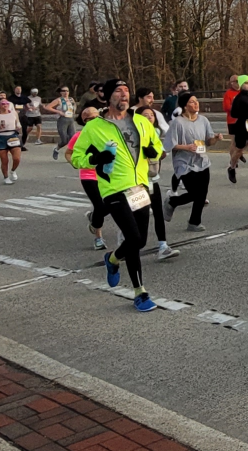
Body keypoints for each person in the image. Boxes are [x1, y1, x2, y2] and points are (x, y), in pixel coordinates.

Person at [73, 79, 165, 312]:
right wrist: (95, 159)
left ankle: (113, 260)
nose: (124, 95)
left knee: (141, 240)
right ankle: (140, 292)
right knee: (132, 239)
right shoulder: (94, 127)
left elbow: (157, 146)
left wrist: (156, 152)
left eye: (126, 91)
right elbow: (76, 157)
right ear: (107, 97)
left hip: (140, 188)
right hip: (114, 188)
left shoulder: (142, 121)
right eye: (118, 91)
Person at [163, 96, 216, 231]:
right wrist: (187, 147)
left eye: (197, 101)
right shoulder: (178, 123)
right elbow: (169, 144)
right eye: (192, 102)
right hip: (184, 162)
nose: (196, 104)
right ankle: (172, 201)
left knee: (202, 194)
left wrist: (215, 138)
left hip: (202, 161)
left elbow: (209, 142)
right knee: (194, 193)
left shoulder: (203, 120)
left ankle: (194, 222)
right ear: (185, 106)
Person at [137, 104, 180, 261]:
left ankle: (163, 246)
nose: (149, 117)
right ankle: (127, 244)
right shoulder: (131, 134)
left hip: (152, 180)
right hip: (136, 183)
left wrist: (155, 152)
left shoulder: (154, 133)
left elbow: (161, 154)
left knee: (158, 213)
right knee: (138, 216)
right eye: (145, 115)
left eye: (151, 115)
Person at [68, 106, 110, 250]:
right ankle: (98, 238)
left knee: (111, 204)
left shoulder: (106, 132)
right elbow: (69, 153)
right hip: (88, 175)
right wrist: (75, 163)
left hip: (107, 174)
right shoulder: (79, 136)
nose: (94, 121)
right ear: (84, 121)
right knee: (99, 205)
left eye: (96, 117)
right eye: (90, 118)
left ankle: (93, 218)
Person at [0, 94, 25, 184]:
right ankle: (6, 177)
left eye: (7, 103)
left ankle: (13, 170)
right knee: (4, 160)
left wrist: (18, 127)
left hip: (12, 136)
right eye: (3, 103)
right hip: (0, 137)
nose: (5, 105)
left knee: (17, 158)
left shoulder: (13, 113)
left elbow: (18, 123)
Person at [46, 87, 78, 160]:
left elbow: (74, 106)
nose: (66, 92)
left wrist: (74, 111)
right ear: (61, 92)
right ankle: (56, 149)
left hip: (70, 119)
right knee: (64, 140)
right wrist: (59, 112)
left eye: (67, 91)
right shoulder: (59, 100)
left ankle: (71, 155)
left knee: (73, 138)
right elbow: (48, 107)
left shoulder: (71, 99)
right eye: (63, 91)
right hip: (62, 120)